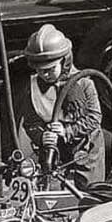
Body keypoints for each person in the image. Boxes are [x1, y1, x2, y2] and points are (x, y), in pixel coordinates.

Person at [12, 24, 105, 189]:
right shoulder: (32, 87)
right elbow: (30, 122)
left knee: (89, 194)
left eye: (50, 69)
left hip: (85, 150)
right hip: (53, 150)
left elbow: (94, 118)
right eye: (40, 70)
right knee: (51, 192)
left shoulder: (84, 83)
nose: (45, 74)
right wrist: (41, 136)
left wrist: (67, 131)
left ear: (64, 61)